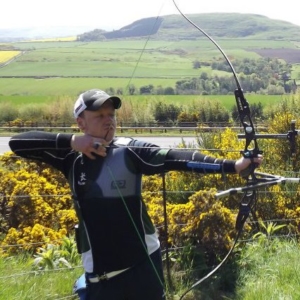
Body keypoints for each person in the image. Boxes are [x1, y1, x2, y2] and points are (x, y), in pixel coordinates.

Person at [9, 89, 263, 300]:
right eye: (99, 115)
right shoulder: (69, 157)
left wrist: (233, 166)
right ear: (81, 122)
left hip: (142, 267)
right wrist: (73, 142)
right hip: (100, 275)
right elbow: (18, 143)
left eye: (111, 114)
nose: (109, 120)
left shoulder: (130, 151)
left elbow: (178, 158)